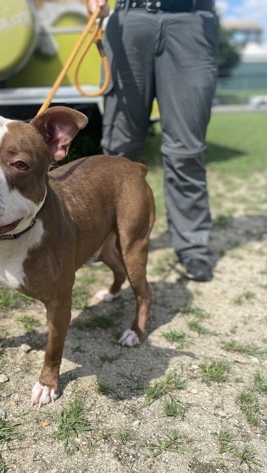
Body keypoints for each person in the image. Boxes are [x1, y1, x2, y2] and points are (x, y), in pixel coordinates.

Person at [87, 0, 219, 281]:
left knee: (186, 150)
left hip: (192, 19)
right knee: (119, 153)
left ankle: (192, 245)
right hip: (129, 20)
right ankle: (106, 240)